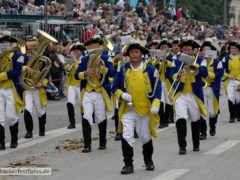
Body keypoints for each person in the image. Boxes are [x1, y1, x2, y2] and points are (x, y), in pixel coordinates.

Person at [112, 42, 161, 174]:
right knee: (127, 135)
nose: (134, 55)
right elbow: (114, 88)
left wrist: (156, 104)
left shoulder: (150, 69)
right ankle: (128, 164)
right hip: (128, 109)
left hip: (144, 109)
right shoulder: (123, 68)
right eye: (131, 52)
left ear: (141, 54)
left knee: (145, 137)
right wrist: (121, 94)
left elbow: (157, 89)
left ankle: (148, 160)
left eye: (136, 52)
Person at [75, 36, 115, 153]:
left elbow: (112, 73)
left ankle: (102, 141)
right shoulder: (84, 59)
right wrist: (85, 73)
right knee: (86, 116)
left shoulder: (106, 58)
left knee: (101, 117)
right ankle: (87, 144)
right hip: (87, 92)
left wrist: (102, 67)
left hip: (100, 93)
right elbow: (77, 75)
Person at [170, 40, 208, 155]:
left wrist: (194, 65)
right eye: (184, 50)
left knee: (195, 119)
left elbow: (205, 73)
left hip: (194, 95)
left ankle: (196, 143)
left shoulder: (201, 60)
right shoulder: (176, 61)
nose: (186, 52)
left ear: (193, 51)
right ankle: (182, 146)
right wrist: (178, 75)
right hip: (180, 94)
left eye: (189, 50)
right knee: (180, 118)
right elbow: (171, 74)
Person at [0, 35, 24, 150]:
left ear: (11, 44)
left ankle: (14, 140)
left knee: (11, 116)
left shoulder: (17, 55)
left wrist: (1, 76)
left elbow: (17, 72)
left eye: (6, 43)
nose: (4, 45)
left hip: (11, 89)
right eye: (2, 43)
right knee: (0, 117)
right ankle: (1, 142)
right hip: (0, 89)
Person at [199, 41, 223, 139]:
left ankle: (212, 125)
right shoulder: (198, 61)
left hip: (212, 89)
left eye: (208, 50)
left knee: (212, 112)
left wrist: (208, 75)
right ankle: (203, 132)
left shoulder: (217, 62)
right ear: (201, 52)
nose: (206, 51)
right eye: (204, 50)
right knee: (202, 111)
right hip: (201, 89)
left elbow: (219, 74)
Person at [65, 43, 86, 129]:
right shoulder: (72, 60)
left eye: (77, 51)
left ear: (81, 52)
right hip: (71, 84)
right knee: (70, 103)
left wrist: (76, 64)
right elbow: (67, 70)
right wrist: (69, 66)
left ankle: (84, 121)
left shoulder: (84, 59)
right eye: (74, 51)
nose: (75, 53)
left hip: (80, 84)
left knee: (82, 104)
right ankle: (72, 122)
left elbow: (82, 70)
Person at [222, 42, 240, 123]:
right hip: (230, 81)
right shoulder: (226, 58)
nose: (232, 50)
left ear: (237, 49)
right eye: (231, 48)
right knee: (231, 98)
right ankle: (232, 117)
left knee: (238, 99)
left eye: (234, 48)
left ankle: (239, 115)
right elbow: (221, 69)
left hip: (239, 81)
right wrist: (228, 75)